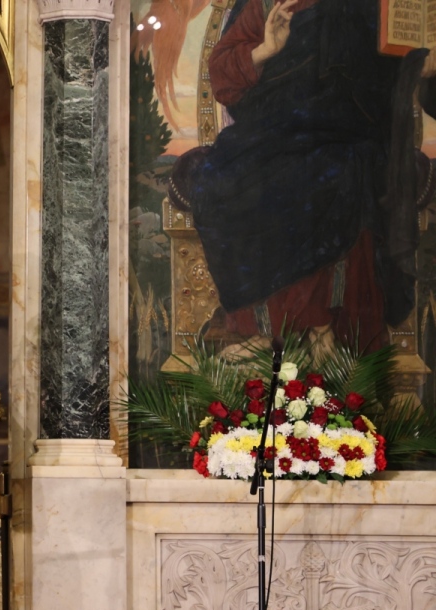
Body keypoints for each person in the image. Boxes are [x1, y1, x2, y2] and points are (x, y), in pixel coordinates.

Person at [169, 0, 436, 351]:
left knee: (335, 174)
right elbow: (222, 77)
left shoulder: (381, 3)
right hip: (272, 132)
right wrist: (265, 50)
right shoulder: (267, 3)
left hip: (352, 132)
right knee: (224, 182)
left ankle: (325, 327)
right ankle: (263, 329)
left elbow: (406, 70)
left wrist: (423, 67)